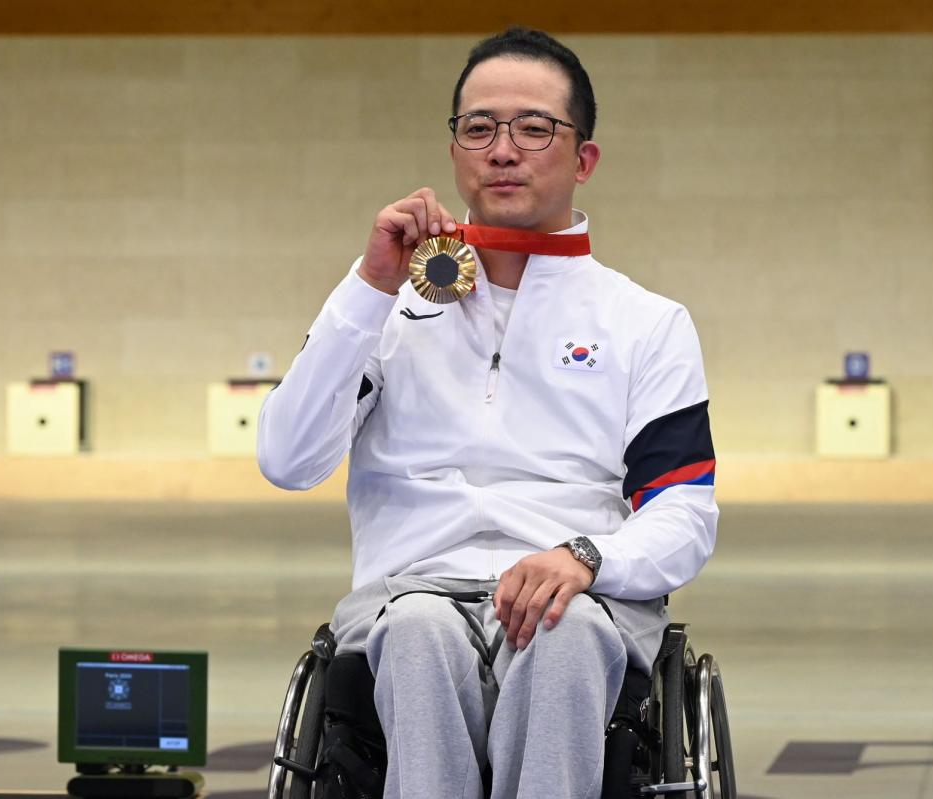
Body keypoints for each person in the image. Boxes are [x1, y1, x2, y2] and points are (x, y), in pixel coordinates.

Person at [257, 27, 718, 799]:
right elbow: (287, 458)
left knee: (563, 635)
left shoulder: (647, 322)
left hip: (580, 594)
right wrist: (370, 284)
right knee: (419, 632)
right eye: (479, 128)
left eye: (534, 127)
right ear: (456, 153)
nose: (503, 149)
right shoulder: (388, 309)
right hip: (409, 595)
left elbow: (684, 517)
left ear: (584, 159)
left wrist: (587, 557)